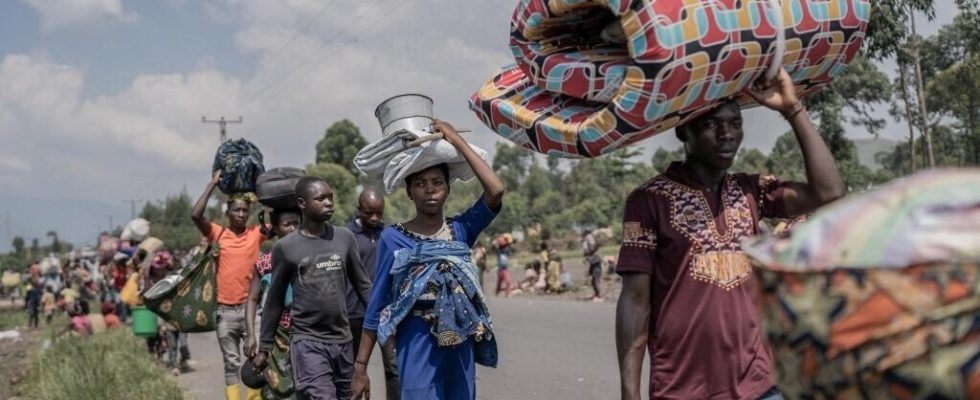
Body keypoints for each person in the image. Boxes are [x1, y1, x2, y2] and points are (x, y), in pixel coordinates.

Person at [615, 69, 845, 400]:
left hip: (762, 387)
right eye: (711, 124)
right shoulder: (649, 200)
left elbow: (829, 193)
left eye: (735, 123)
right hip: (683, 390)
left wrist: (793, 110)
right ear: (684, 131)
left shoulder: (752, 190)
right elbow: (635, 302)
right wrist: (629, 394)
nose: (727, 134)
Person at [352, 119, 505, 400]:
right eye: (420, 184)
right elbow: (378, 303)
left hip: (459, 338)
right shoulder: (392, 239)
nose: (430, 189)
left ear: (447, 188)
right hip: (416, 340)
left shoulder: (461, 230)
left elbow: (495, 191)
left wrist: (456, 141)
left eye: (437, 182)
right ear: (409, 192)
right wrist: (360, 365)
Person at [253, 176, 373, 400]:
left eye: (330, 198)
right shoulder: (286, 248)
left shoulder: (344, 238)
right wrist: (264, 347)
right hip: (308, 341)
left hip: (343, 340)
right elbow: (275, 300)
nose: (329, 203)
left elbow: (363, 286)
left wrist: (387, 321)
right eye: (321, 198)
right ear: (302, 204)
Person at [192, 169, 269, 400]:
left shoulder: (256, 234)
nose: (241, 214)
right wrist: (212, 185)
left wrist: (259, 189)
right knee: (231, 364)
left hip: (250, 311)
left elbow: (278, 220)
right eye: (236, 210)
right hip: (224, 311)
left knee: (256, 360)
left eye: (245, 210)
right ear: (228, 213)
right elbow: (196, 215)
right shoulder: (219, 233)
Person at [346, 189, 401, 400]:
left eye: (379, 213)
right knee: (355, 368)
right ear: (359, 209)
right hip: (355, 313)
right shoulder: (346, 235)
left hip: (386, 314)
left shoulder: (388, 235)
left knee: (394, 367)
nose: (375, 218)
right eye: (369, 213)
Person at [243, 208, 300, 398]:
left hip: (304, 332)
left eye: (296, 223)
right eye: (287, 225)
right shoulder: (265, 263)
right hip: (275, 335)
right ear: (275, 228)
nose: (293, 229)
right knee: (274, 387)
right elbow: (252, 299)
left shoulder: (308, 256)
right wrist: (251, 335)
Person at [582, 229, 602, 302]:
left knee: (595, 279)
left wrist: (588, 253)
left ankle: (599, 296)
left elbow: (594, 246)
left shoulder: (588, 237)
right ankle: (596, 294)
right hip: (593, 260)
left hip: (595, 260)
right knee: (593, 279)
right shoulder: (588, 238)